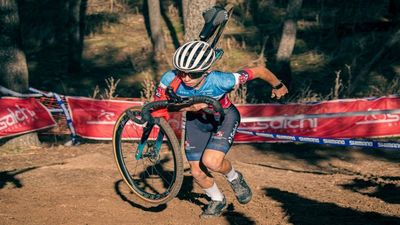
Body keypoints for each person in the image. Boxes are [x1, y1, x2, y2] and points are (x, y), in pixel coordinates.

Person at [151, 40, 288, 218]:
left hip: (224, 118)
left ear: (206, 71)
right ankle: (217, 199)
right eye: (181, 71)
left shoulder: (222, 80)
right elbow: (159, 106)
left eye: (192, 74)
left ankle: (234, 177)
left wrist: (278, 85)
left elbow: (260, 71)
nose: (185, 77)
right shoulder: (169, 78)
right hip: (196, 121)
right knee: (197, 172)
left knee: (212, 162)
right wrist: (188, 108)